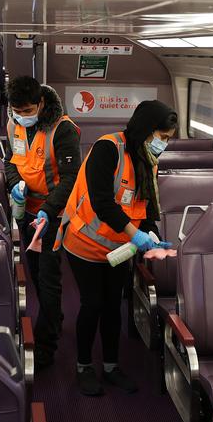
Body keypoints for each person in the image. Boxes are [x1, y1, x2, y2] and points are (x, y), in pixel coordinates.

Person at [53, 100, 177, 396]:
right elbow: (102, 203)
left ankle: (110, 366)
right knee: (92, 303)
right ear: (146, 130)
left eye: (169, 138)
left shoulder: (148, 159)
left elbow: (147, 205)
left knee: (113, 307)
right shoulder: (108, 149)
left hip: (119, 249)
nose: (164, 144)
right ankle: (83, 366)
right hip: (84, 242)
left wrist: (151, 234)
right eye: (161, 136)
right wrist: (136, 235)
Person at [4, 76, 81, 369]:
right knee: (35, 270)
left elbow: (72, 178)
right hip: (27, 211)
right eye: (16, 111)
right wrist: (14, 185)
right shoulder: (13, 125)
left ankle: (46, 345)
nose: (21, 117)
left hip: (54, 214)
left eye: (26, 111)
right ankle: (55, 318)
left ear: (41, 103)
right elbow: (11, 161)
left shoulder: (63, 130)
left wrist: (48, 210)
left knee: (49, 278)